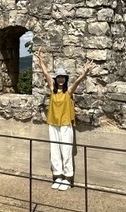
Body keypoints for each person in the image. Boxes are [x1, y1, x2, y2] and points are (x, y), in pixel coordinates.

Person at [34, 50, 95, 190]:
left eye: (63, 77)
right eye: (59, 77)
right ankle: (58, 176)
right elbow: (46, 74)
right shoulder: (52, 88)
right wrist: (41, 61)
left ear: (65, 79)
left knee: (66, 150)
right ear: (56, 79)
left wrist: (85, 73)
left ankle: (68, 178)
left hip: (66, 124)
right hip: (53, 124)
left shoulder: (68, 92)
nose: (61, 79)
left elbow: (78, 82)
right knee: (54, 150)